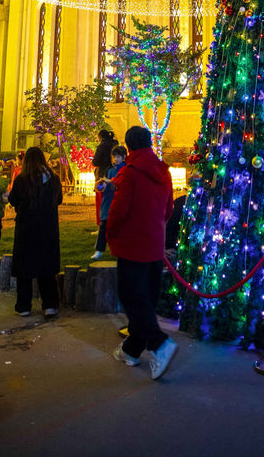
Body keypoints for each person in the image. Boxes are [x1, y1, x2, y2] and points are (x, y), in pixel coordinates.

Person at [106, 125, 177, 379]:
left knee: (132, 298)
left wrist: (109, 233)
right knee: (144, 298)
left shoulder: (130, 173)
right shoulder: (163, 171)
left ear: (128, 147)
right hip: (154, 245)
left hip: (132, 246)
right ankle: (132, 350)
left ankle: (159, 343)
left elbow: (118, 212)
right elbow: (168, 208)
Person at [8, 146, 63, 317]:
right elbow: (59, 200)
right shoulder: (53, 179)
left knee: (25, 267)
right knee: (46, 267)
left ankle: (24, 306)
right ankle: (50, 305)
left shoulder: (22, 179)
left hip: (27, 228)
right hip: (48, 227)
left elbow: (12, 199)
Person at [91, 145, 127, 260]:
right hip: (108, 202)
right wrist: (101, 185)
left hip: (120, 203)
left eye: (118, 157)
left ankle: (121, 250)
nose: (116, 159)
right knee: (103, 227)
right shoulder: (109, 170)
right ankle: (99, 250)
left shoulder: (126, 170)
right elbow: (104, 185)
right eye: (114, 157)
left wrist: (110, 182)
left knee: (121, 228)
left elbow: (122, 185)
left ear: (124, 157)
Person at [92, 128, 118, 224]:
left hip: (101, 176)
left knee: (100, 197)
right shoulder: (114, 144)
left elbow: (96, 161)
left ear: (100, 137)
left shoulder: (101, 146)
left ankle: (101, 223)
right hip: (113, 175)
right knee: (111, 199)